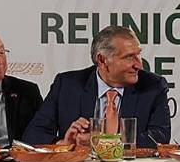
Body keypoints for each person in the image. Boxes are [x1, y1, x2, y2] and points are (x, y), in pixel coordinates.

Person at [23, 25, 171, 146]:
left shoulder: (153, 86)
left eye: (138, 55)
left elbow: (160, 137)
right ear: (102, 60)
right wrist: (65, 144)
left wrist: (102, 141)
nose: (139, 64)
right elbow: (33, 134)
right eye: (129, 57)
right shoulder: (67, 85)